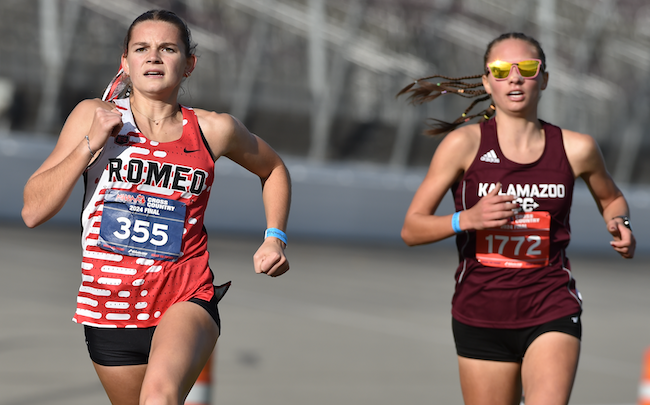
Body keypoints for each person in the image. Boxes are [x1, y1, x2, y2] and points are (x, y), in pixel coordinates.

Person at [22, 9, 291, 405]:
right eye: (142, 48)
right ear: (125, 63)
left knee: (159, 398)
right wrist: (91, 143)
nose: (153, 57)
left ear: (188, 65)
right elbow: (33, 210)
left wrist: (275, 237)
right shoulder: (92, 117)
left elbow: (274, 169)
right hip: (108, 307)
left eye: (167, 49)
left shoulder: (214, 129)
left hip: (185, 296)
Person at [398, 32, 635, 405]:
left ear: (543, 79)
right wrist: (468, 219)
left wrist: (620, 223)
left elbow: (612, 198)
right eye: (501, 69)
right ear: (487, 81)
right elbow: (411, 228)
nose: (514, 77)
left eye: (526, 67)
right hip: (480, 311)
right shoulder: (464, 145)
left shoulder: (577, 148)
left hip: (551, 305)